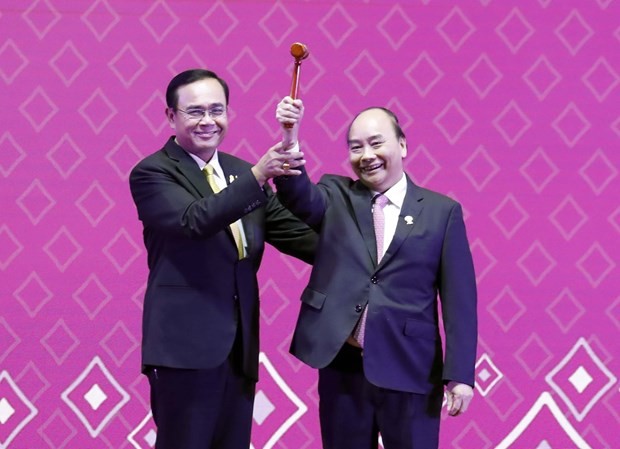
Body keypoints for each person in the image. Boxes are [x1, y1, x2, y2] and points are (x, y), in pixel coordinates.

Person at [269, 97, 478, 449]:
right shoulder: (337, 195)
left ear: (402, 144)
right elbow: (297, 194)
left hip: (411, 366)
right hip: (343, 366)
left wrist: (459, 375)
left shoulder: (442, 213)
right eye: (356, 147)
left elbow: (459, 300)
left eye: (376, 143)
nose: (366, 155)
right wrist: (290, 138)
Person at [128, 69, 316, 449]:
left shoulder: (238, 172)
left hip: (239, 350)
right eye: (195, 111)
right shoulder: (153, 172)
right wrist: (260, 174)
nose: (208, 121)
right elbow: (194, 220)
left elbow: (306, 240)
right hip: (183, 352)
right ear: (171, 117)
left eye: (217, 109)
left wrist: (378, 243)